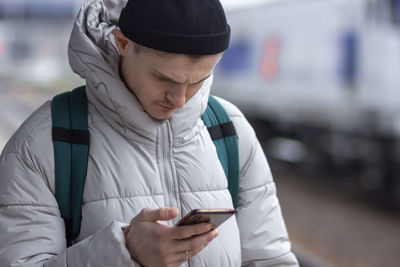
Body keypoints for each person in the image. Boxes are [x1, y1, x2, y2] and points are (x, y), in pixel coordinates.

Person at [0, 0, 299, 266]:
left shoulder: (230, 130)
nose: (180, 99)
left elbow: (271, 259)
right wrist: (123, 252)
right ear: (123, 43)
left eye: (197, 81)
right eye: (162, 78)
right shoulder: (43, 143)